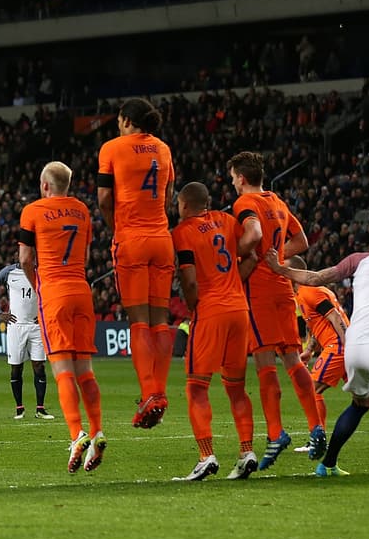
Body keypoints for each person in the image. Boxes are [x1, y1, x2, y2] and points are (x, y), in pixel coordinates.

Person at [266, 216, 369, 476]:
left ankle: (327, 464)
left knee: (360, 402)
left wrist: (281, 270)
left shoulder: (359, 260)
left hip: (353, 344)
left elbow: (316, 277)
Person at [227, 150, 324, 469]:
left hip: (260, 291)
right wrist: (279, 259)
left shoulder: (245, 204)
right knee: (294, 361)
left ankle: (275, 433)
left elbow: (253, 234)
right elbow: (303, 240)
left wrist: (234, 257)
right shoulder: (278, 202)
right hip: (284, 290)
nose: (232, 184)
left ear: (241, 178)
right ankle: (316, 426)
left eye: (232, 178)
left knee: (265, 364)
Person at [169, 182, 261, 481]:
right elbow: (252, 257)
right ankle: (247, 451)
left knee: (196, 387)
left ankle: (206, 455)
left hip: (210, 312)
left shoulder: (182, 232)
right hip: (239, 311)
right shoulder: (226, 220)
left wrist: (195, 306)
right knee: (235, 387)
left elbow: (190, 279)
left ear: (183, 205)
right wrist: (235, 283)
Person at [18, 161, 104, 473]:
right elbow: (86, 254)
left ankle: (76, 434)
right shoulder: (82, 210)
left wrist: (38, 285)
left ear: (44, 185)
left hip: (54, 291)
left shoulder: (33, 211)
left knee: (62, 369)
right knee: (86, 369)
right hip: (81, 290)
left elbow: (25, 258)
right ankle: (97, 432)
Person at [97, 97, 175, 429]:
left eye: (118, 120)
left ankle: (149, 394)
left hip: (131, 239)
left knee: (138, 321)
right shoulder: (164, 149)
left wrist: (118, 229)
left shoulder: (111, 148)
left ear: (128, 120)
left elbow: (103, 198)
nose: (117, 125)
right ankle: (159, 392)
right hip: (162, 238)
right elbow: (168, 195)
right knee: (160, 320)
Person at [287, 255, 369, 433]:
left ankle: (317, 437)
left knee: (311, 390)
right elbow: (318, 324)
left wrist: (346, 345)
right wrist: (310, 350)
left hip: (338, 346)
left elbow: (334, 317)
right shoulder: (307, 292)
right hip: (346, 346)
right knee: (366, 398)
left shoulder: (308, 291)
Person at [0, 263, 54, 420]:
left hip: (36, 326)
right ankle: (19, 409)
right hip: (16, 326)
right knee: (16, 367)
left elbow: (52, 293)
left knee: (39, 365)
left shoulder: (41, 271)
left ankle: (40, 409)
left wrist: (44, 313)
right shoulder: (9, 272)